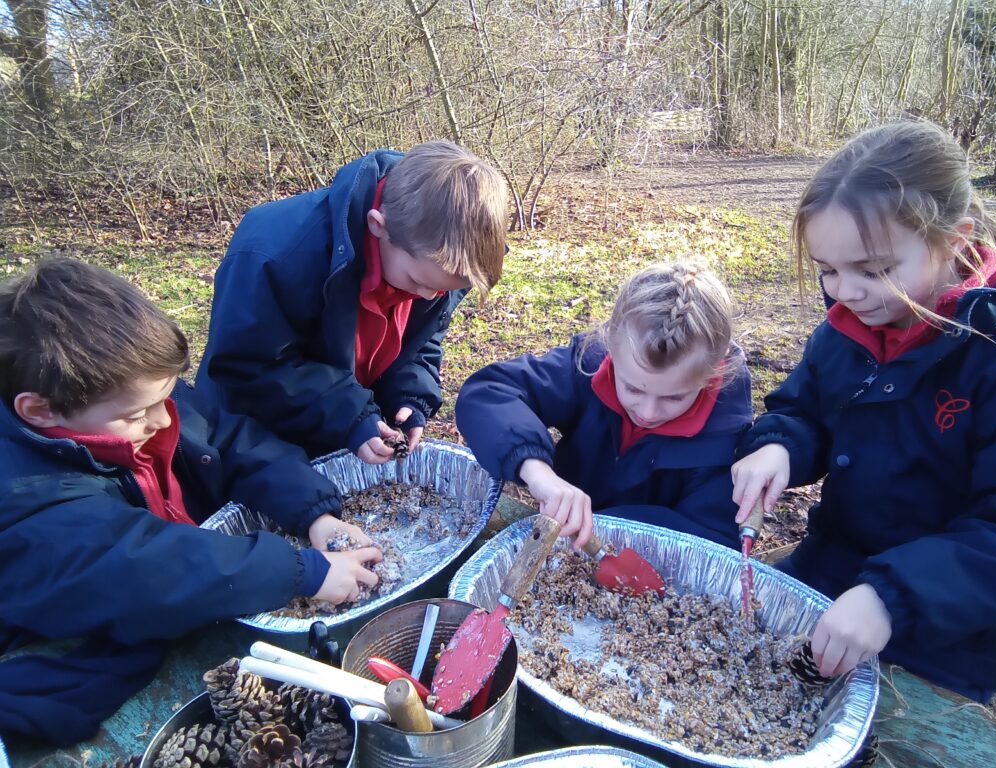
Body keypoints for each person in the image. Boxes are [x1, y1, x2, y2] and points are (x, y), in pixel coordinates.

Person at [0, 259, 382, 743]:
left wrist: (314, 512)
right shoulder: (24, 494)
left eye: (168, 397)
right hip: (65, 659)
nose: (163, 420)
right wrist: (304, 571)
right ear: (39, 409)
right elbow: (144, 565)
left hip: (200, 593)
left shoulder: (125, 401)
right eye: (141, 412)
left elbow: (230, 437)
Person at [731, 120, 996, 702]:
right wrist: (778, 445)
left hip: (946, 633)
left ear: (956, 241)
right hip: (831, 569)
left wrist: (893, 597)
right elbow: (804, 408)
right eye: (828, 270)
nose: (845, 292)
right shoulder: (849, 327)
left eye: (873, 270)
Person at [195, 140, 508, 462]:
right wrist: (350, 415)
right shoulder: (273, 255)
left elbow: (421, 342)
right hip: (250, 439)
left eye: (441, 292)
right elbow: (248, 367)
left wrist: (411, 396)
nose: (428, 297)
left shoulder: (444, 259)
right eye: (419, 283)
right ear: (377, 226)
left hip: (339, 424)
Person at [456, 261, 752, 548]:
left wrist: (598, 525)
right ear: (610, 346)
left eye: (674, 397)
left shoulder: (726, 433)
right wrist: (536, 470)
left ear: (713, 373)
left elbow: (712, 536)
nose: (647, 412)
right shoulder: (588, 367)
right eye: (632, 388)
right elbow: (488, 394)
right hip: (566, 544)